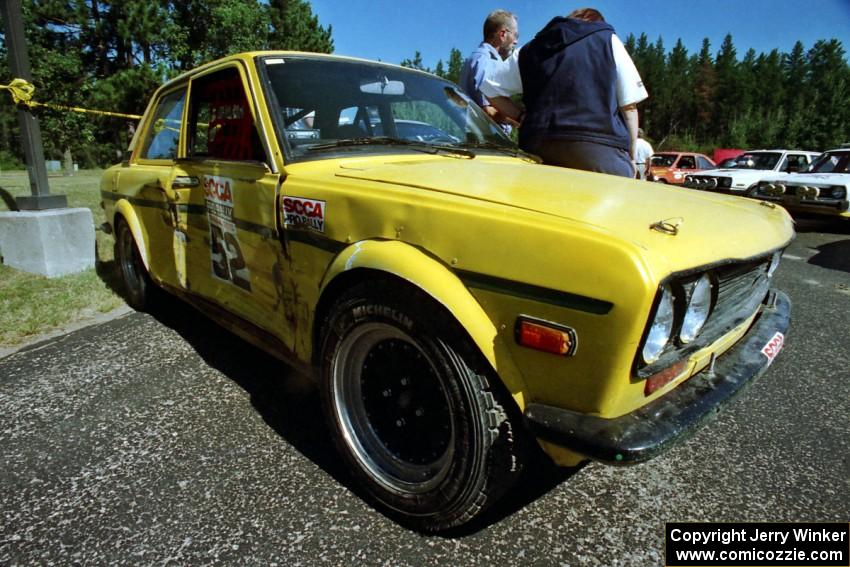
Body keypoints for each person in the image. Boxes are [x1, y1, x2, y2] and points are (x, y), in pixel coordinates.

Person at [480, 7, 648, 178]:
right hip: (599, 152)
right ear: (596, 24)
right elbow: (629, 107)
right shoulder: (607, 40)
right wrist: (632, 158)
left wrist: (521, 117)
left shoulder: (530, 49)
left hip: (538, 150)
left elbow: (489, 89)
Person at [458, 10, 519, 132]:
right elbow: (487, 110)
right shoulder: (487, 61)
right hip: (489, 140)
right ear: (502, 34)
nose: (516, 41)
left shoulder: (476, 58)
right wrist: (521, 120)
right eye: (515, 35)